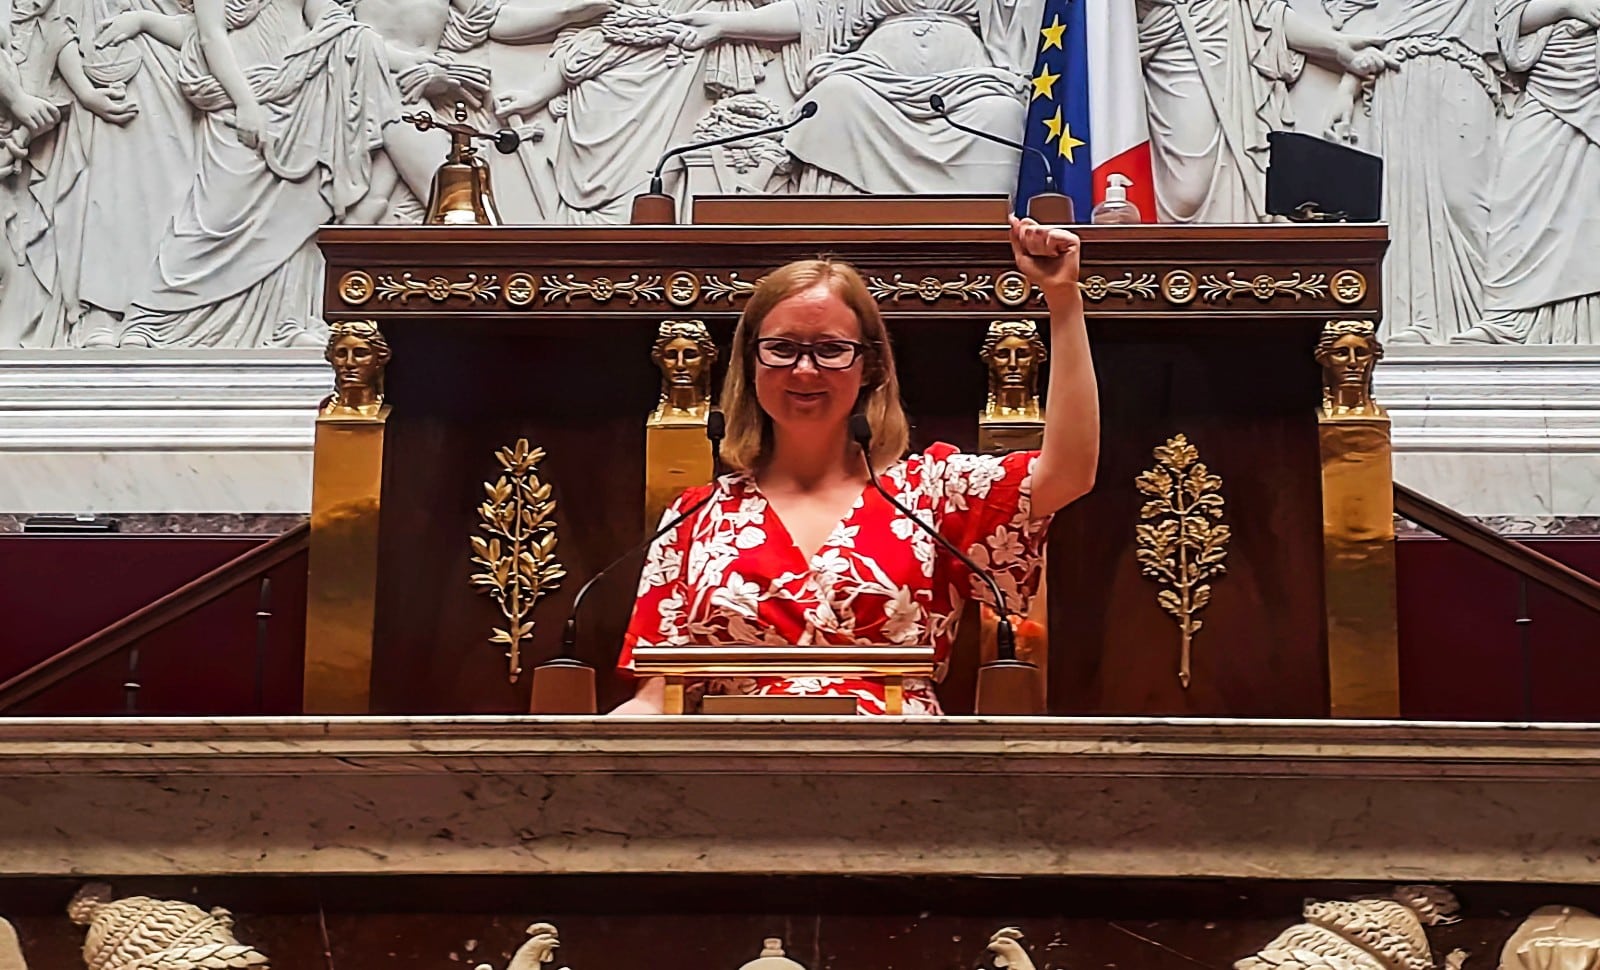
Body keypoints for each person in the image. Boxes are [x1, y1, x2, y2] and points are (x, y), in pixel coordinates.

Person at [612, 216, 1098, 715]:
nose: (804, 369)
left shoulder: (930, 493)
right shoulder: (696, 516)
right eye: (781, 349)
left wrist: (1063, 300)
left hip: (898, 755)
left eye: (831, 350)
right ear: (751, 363)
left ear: (870, 367)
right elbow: (656, 699)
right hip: (735, 757)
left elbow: (1068, 473)